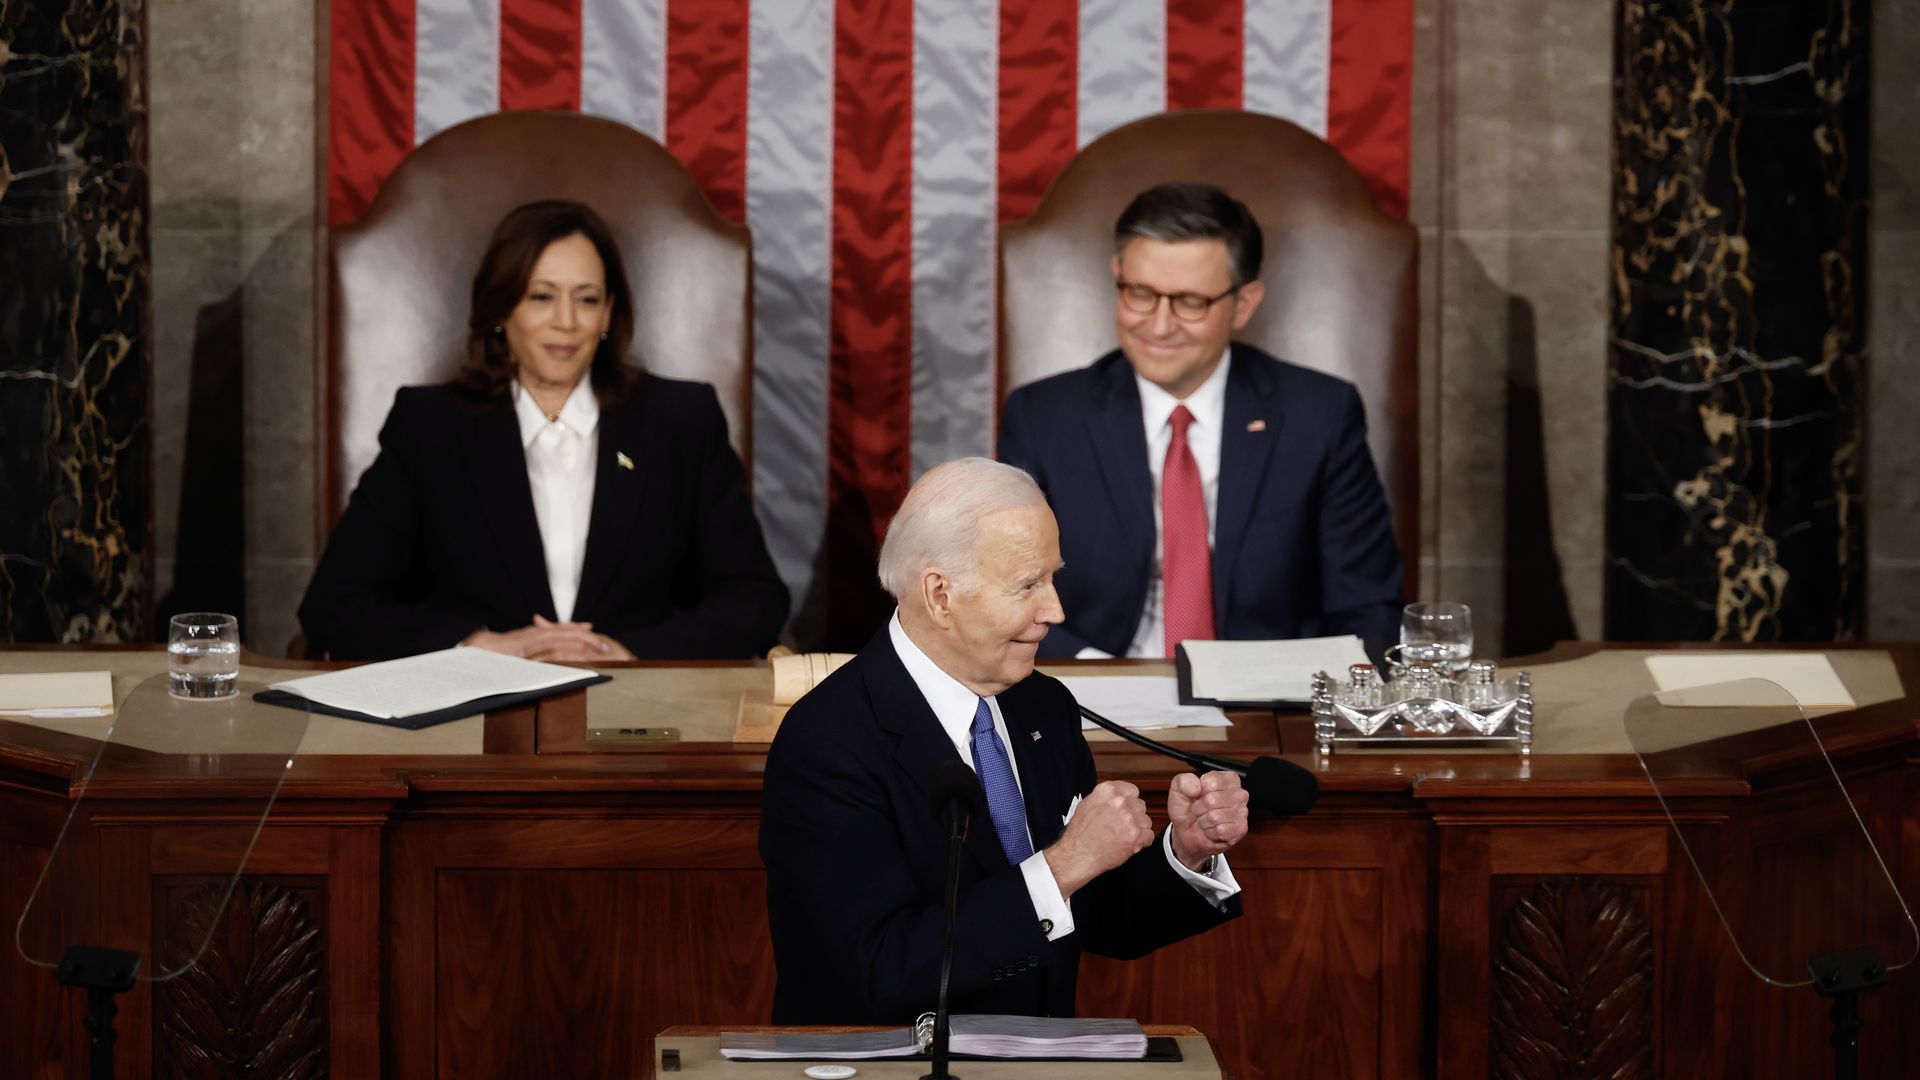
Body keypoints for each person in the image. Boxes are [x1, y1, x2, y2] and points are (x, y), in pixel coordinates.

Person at [760, 457, 1250, 1023]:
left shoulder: (1042, 704)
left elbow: (1091, 914)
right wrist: (1064, 864)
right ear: (940, 595)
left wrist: (1184, 851)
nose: (1055, 610)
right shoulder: (828, 741)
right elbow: (881, 969)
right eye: (1027, 585)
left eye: (1053, 577)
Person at [299, 200, 787, 661]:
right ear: (501, 311)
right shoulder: (429, 426)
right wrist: (478, 647)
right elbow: (334, 606)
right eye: (541, 297)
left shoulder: (682, 420)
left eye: (587, 299)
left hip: (640, 716)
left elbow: (755, 599)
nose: (567, 322)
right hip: (473, 720)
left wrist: (634, 654)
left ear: (608, 314)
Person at [998, 181, 1404, 660]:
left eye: (1190, 302)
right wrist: (1100, 679)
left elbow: (1369, 607)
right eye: (1141, 293)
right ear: (1117, 277)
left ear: (1244, 303)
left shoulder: (1320, 415)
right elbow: (1006, 598)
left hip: (1268, 704)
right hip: (1094, 698)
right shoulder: (1043, 417)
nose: (1160, 324)